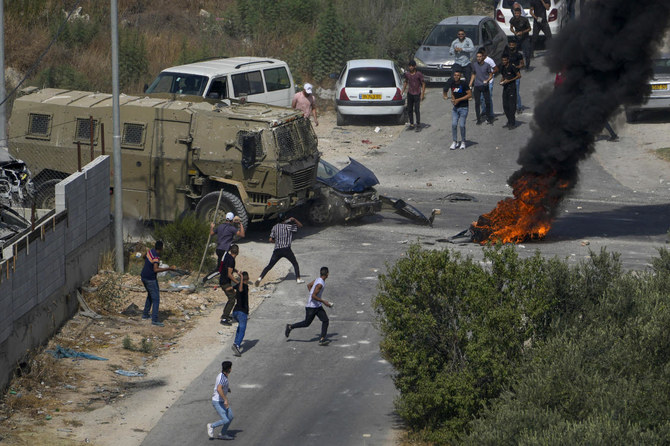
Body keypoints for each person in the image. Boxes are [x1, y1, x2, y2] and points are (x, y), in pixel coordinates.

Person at [285, 267, 333, 346]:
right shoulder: (320, 284)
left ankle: (322, 339)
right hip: (311, 307)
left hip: (317, 306)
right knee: (306, 323)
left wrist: (313, 296)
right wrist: (324, 302)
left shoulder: (318, 279)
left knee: (325, 320)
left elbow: (309, 285)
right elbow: (314, 295)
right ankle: (290, 326)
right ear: (327, 274)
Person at [255, 216, 304, 287]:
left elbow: (270, 240)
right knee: (295, 264)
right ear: (285, 220)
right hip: (286, 249)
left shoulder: (274, 227)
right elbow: (300, 226)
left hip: (277, 250)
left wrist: (277, 242)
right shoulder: (288, 226)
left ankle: (260, 278)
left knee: (269, 265)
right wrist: (294, 219)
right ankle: (298, 279)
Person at [203, 211, 245, 284]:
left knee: (227, 264)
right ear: (232, 220)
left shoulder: (220, 226)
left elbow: (211, 233)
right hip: (224, 250)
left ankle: (227, 280)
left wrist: (212, 227)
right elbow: (242, 235)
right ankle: (204, 280)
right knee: (219, 269)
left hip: (219, 249)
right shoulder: (231, 228)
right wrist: (240, 224)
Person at [141, 240, 175, 327]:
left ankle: (145, 314)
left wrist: (148, 263)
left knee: (150, 295)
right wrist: (169, 268)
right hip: (150, 279)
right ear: (161, 248)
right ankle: (155, 320)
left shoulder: (150, 251)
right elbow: (155, 269)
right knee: (156, 298)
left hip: (144, 276)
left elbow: (144, 256)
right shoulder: (156, 256)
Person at [443, 68, 472, 150]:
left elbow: (469, 94)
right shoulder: (452, 84)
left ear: (460, 76)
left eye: (458, 75)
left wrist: (459, 100)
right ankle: (454, 141)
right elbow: (452, 93)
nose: (456, 77)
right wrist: (453, 100)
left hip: (464, 107)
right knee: (454, 124)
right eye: (455, 75)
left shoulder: (464, 84)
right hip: (455, 108)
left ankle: (463, 142)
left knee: (462, 125)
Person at [207, 361, 234, 440]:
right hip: (218, 402)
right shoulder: (222, 377)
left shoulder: (223, 375)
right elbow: (219, 389)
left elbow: (221, 387)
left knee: (230, 417)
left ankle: (222, 434)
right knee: (226, 420)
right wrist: (225, 400)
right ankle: (211, 426)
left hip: (221, 401)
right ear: (229, 369)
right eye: (231, 368)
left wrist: (227, 389)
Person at [469, 50, 494, 126]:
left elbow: (491, 75)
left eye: (480, 56)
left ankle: (489, 118)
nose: (478, 58)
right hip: (477, 86)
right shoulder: (475, 65)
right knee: (477, 103)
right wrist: (470, 83)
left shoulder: (487, 65)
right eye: (477, 57)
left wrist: (487, 80)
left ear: (483, 57)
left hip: (485, 86)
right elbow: (473, 74)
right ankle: (478, 119)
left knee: (487, 102)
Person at [402, 60, 426, 132]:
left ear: (415, 66)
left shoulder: (419, 74)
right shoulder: (407, 74)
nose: (411, 67)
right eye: (410, 66)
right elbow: (406, 82)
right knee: (409, 109)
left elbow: (423, 83)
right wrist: (402, 90)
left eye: (412, 66)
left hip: (417, 93)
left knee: (416, 109)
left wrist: (422, 94)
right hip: (410, 93)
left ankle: (418, 124)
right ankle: (411, 124)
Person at [220, 244, 240, 325]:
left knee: (232, 297)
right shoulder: (232, 260)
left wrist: (236, 270)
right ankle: (224, 318)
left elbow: (228, 267)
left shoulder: (228, 256)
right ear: (238, 252)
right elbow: (229, 274)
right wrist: (237, 282)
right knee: (232, 299)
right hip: (225, 282)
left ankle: (225, 315)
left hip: (223, 280)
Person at [500, 54, 521, 129]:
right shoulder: (502, 67)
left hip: (512, 88)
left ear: (508, 60)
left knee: (512, 106)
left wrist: (509, 80)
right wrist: (501, 81)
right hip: (505, 88)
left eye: (505, 60)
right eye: (502, 60)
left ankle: (512, 123)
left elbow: (519, 75)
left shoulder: (512, 67)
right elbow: (503, 76)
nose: (503, 62)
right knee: (505, 105)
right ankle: (509, 121)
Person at [231, 272, 249, 356]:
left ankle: (235, 342)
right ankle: (237, 345)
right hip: (242, 312)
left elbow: (230, 288)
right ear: (247, 278)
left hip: (235, 312)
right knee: (242, 329)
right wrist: (241, 278)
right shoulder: (244, 286)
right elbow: (241, 290)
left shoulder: (238, 285)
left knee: (239, 327)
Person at [476, 47, 498, 120]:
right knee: (482, 98)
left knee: (488, 98)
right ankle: (484, 111)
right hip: (481, 83)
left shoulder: (489, 60)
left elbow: (496, 69)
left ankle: (491, 113)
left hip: (489, 82)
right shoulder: (478, 62)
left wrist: (490, 74)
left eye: (483, 54)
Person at [506, 39, 526, 113]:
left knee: (516, 92)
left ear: (515, 45)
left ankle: (519, 107)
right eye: (510, 45)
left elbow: (522, 64)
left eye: (512, 45)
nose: (511, 46)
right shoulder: (506, 54)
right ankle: (508, 107)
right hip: (507, 76)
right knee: (507, 92)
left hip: (516, 76)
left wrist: (517, 67)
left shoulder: (518, 55)